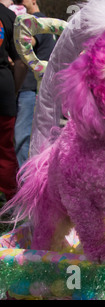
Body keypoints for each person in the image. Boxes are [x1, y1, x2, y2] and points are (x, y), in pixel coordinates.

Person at [14, 0, 56, 167]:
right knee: (43, 137)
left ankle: (26, 181)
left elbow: (28, 42)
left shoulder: (37, 22)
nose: (20, 3)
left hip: (31, 87)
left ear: (33, 1)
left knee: (23, 137)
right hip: (44, 88)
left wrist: (15, 38)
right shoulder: (50, 25)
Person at [0, 1, 27, 202]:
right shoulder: (9, 16)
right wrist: (15, 88)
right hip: (4, 89)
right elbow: (21, 61)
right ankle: (11, 202)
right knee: (5, 150)